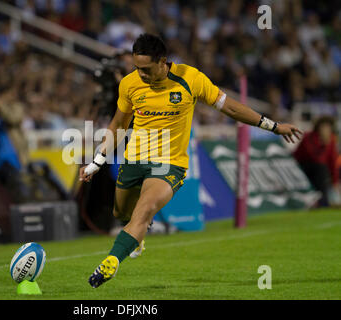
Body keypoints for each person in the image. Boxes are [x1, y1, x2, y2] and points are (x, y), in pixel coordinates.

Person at [79, 34, 303, 288]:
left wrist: (273, 126)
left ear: (162, 62)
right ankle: (136, 235)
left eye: (146, 69)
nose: (140, 74)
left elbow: (229, 107)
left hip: (169, 163)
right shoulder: (130, 84)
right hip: (134, 159)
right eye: (136, 68)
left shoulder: (190, 78)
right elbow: (118, 124)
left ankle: (111, 261)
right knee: (123, 213)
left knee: (146, 209)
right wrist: (96, 163)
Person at [293, 116, 339, 207]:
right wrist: (323, 144)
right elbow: (314, 157)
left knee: (323, 170)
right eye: (324, 126)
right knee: (321, 168)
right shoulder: (309, 137)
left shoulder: (332, 139)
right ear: (318, 127)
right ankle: (322, 202)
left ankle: (323, 201)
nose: (326, 129)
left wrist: (335, 181)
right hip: (301, 167)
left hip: (319, 171)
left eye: (328, 127)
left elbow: (332, 161)